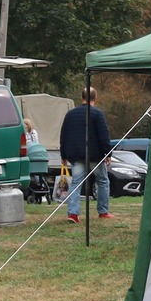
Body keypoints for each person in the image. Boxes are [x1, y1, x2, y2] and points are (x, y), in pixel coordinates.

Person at [58, 88, 113, 222]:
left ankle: (73, 213)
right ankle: (103, 211)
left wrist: (63, 155)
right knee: (102, 181)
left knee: (76, 183)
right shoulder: (97, 114)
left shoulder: (70, 114)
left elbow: (63, 136)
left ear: (81, 97)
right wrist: (108, 153)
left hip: (76, 155)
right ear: (96, 97)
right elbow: (103, 135)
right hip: (95, 155)